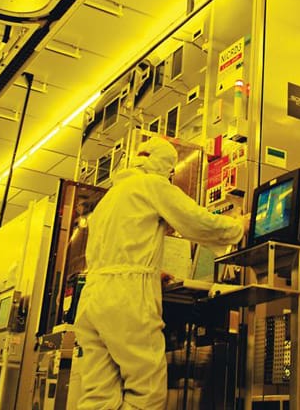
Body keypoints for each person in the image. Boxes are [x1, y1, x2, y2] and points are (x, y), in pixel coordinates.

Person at [75, 136, 244, 410]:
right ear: (166, 167)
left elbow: (115, 253)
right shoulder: (152, 185)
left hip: (92, 299)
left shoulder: (109, 198)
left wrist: (155, 271)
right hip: (127, 298)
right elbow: (198, 222)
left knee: (98, 395)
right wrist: (239, 227)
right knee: (146, 391)